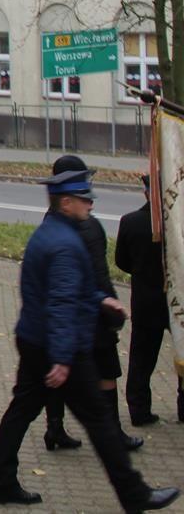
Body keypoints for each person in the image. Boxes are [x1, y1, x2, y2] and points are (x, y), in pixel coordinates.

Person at [0, 168, 178, 511]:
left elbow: (63, 290)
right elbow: (60, 303)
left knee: (20, 412)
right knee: (101, 423)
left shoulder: (51, 233)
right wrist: (61, 359)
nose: (90, 204)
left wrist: (99, 299)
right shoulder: (65, 244)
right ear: (66, 202)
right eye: (84, 199)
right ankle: (135, 495)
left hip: (35, 340)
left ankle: (1, 482)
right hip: (60, 348)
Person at [43, 156, 141, 452]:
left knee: (59, 373)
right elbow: (98, 275)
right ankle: (113, 434)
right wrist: (112, 313)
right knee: (107, 373)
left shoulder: (51, 220)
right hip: (91, 314)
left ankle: (55, 429)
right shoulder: (89, 227)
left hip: (61, 314)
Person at [116, 174, 184, 426]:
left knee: (141, 360)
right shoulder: (179, 224)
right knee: (182, 354)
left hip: (145, 302)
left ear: (146, 193)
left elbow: (121, 261)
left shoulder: (131, 222)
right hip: (178, 302)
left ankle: (139, 410)